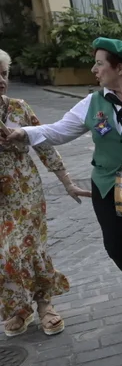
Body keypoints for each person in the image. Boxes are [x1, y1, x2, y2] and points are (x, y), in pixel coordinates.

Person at [0, 38, 122, 333]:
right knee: (117, 246)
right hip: (108, 185)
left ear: (119, 68)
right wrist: (23, 133)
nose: (94, 69)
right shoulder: (93, 103)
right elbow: (60, 130)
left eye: (99, 64)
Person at [0, 50, 88, 337]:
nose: (1, 80)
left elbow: (45, 145)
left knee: (27, 247)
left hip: (24, 189)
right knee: (5, 255)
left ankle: (44, 304)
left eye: (4, 74)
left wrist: (67, 183)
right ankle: (18, 309)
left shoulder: (19, 108)